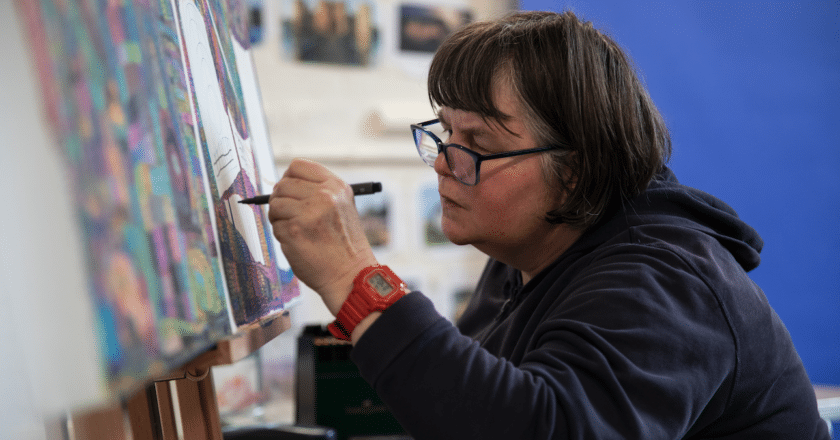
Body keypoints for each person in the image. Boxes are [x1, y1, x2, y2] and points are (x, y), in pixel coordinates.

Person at [268, 10, 829, 439]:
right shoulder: (523, 252)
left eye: (479, 144)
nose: (443, 162)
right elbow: (466, 407)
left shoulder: (662, 278)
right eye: (444, 134)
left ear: (576, 169)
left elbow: (542, 426)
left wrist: (356, 279)